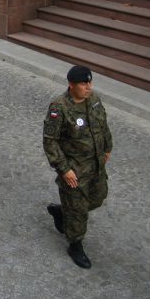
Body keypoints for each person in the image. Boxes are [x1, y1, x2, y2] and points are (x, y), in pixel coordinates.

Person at [43, 65, 113, 269]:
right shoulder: (59, 107)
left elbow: (103, 124)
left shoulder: (94, 100)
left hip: (96, 165)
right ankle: (75, 245)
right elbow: (50, 141)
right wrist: (64, 169)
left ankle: (63, 213)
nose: (88, 87)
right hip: (74, 168)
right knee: (79, 212)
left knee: (98, 198)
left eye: (90, 82)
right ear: (71, 85)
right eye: (83, 84)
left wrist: (108, 147)